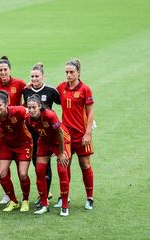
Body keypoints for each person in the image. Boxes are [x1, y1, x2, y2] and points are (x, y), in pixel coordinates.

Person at [56, 59, 95, 210]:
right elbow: (46, 93)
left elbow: (90, 111)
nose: (69, 75)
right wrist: (31, 86)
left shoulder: (85, 89)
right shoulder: (61, 88)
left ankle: (90, 197)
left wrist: (88, 132)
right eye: (66, 72)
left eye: (71, 72)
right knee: (65, 165)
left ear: (78, 72)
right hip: (66, 135)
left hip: (81, 134)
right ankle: (65, 196)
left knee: (85, 164)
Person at [22, 62, 61, 206]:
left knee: (46, 165)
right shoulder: (26, 91)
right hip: (32, 132)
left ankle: (45, 194)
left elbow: (64, 103)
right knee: (35, 161)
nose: (34, 79)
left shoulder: (51, 91)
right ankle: (45, 192)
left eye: (37, 76)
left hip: (47, 134)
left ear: (43, 76)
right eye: (32, 76)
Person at [26, 95, 70, 216]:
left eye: (33, 107)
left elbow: (60, 134)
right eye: (29, 107)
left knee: (62, 170)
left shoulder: (50, 115)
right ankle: (44, 204)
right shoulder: (28, 119)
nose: (31, 110)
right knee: (39, 171)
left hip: (60, 141)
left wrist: (61, 153)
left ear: (40, 106)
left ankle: (65, 206)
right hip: (45, 142)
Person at [0, 56, 26, 204]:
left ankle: (34, 193)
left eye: (5, 69)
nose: (3, 72)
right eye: (0, 70)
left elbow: (30, 95)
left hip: (19, 126)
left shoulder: (20, 83)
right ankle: (8, 194)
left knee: (22, 163)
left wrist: (23, 109)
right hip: (3, 128)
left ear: (10, 70)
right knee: (4, 161)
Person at [0, 90, 32, 212]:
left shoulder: (18, 111)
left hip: (23, 144)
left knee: (23, 174)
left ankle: (25, 200)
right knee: (2, 172)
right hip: (6, 146)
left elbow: (31, 113)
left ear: (6, 104)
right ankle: (13, 201)